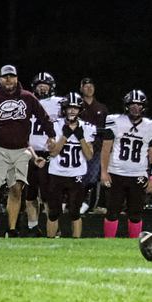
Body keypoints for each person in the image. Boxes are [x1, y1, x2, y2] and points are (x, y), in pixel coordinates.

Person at [0, 65, 55, 239]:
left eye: (11, 76)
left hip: (20, 150)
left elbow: (43, 117)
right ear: (0, 79)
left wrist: (51, 135)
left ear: (16, 78)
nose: (8, 80)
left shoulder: (28, 97)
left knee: (16, 190)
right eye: (5, 77)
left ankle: (12, 229)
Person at [101, 90, 152, 239]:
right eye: (132, 105)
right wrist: (104, 171)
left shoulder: (151, 126)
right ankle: (108, 243)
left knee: (135, 214)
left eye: (139, 105)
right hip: (116, 173)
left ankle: (135, 244)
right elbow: (106, 148)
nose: (135, 108)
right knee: (112, 211)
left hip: (138, 174)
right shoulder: (115, 121)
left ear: (144, 107)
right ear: (126, 106)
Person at [47, 93, 96, 238]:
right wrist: (65, 136)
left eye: (75, 108)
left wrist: (81, 138)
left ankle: (76, 242)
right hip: (57, 172)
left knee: (75, 211)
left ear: (80, 110)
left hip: (76, 174)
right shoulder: (55, 125)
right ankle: (50, 241)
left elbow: (89, 155)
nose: (72, 111)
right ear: (64, 109)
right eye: (69, 108)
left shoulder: (87, 127)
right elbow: (53, 153)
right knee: (54, 211)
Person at [24, 72, 64, 237]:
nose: (42, 89)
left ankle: (52, 226)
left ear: (51, 88)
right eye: (39, 86)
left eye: (45, 86)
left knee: (49, 194)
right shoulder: (27, 101)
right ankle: (32, 227)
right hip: (29, 152)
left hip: (50, 154)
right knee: (30, 192)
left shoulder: (59, 103)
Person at [78, 77, 109, 214]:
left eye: (91, 86)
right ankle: (74, 202)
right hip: (78, 149)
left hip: (96, 149)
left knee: (92, 177)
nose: (89, 88)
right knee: (78, 176)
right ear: (81, 89)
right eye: (86, 86)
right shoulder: (77, 106)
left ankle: (88, 203)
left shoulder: (101, 108)